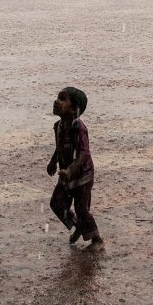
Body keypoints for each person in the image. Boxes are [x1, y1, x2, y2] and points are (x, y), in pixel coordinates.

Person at [47, 86, 103, 251]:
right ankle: (79, 225)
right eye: (58, 97)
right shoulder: (58, 126)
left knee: (81, 209)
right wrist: (53, 162)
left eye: (63, 99)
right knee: (56, 203)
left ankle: (97, 240)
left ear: (74, 109)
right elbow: (59, 146)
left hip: (82, 176)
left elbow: (84, 153)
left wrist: (70, 170)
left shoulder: (79, 128)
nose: (56, 101)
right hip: (66, 174)